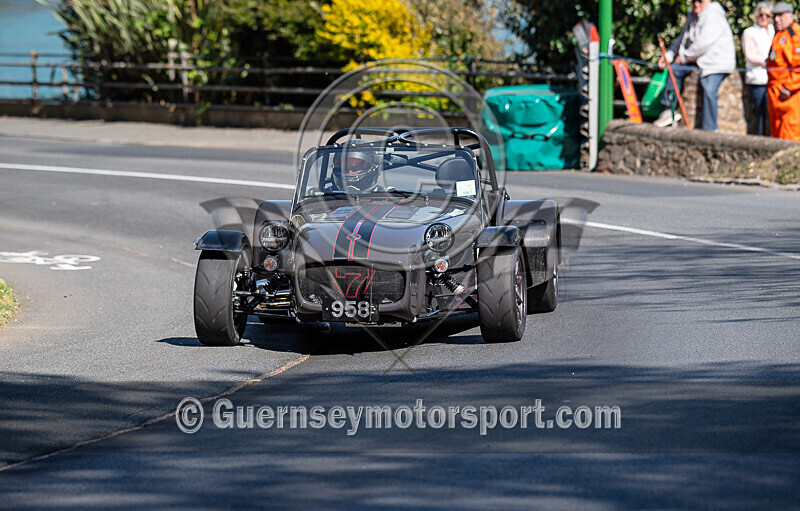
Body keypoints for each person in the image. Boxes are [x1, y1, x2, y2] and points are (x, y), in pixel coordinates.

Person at [653, 0, 736, 130]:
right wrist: (668, 56)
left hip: (716, 63)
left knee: (709, 90)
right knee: (675, 70)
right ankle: (669, 110)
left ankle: (709, 129)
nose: (696, 3)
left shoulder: (713, 15)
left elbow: (703, 43)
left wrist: (684, 57)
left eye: (700, 1)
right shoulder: (693, 16)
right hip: (698, 60)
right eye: (693, 1)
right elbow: (682, 39)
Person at [766, 2, 800, 141]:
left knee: (791, 134)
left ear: (790, 16)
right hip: (775, 93)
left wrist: (788, 88)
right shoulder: (779, 35)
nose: (776, 20)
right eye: (775, 16)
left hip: (789, 95)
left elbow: (798, 66)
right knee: (777, 134)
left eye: (780, 16)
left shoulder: (795, 34)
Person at [743, 2, 775, 136]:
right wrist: (768, 62)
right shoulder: (749, 32)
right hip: (757, 79)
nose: (763, 18)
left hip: (773, 77)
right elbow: (750, 56)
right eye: (761, 15)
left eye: (767, 15)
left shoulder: (774, 30)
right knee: (760, 113)